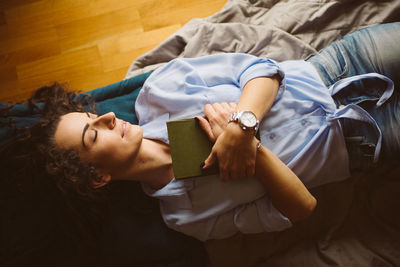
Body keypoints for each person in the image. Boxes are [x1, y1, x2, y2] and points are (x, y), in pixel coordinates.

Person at [2, 23, 399, 242]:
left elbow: (262, 69)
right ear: (98, 178)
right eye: (93, 135)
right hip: (365, 143)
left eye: (93, 116)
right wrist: (252, 153)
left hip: (343, 64)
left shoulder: (159, 91)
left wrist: (242, 126)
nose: (107, 117)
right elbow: (301, 210)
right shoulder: (186, 216)